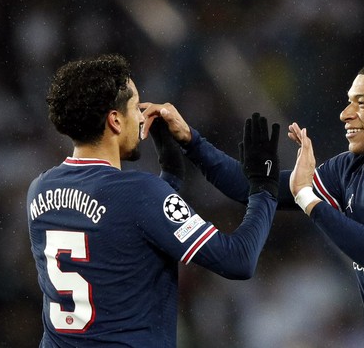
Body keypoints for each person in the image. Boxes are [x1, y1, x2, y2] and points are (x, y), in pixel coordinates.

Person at [155, 57, 364, 347]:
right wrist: (190, 140)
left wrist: (310, 200)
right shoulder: (348, 168)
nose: (345, 114)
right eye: (348, 102)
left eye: (362, 103)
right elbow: (252, 188)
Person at [26, 53, 280, 348]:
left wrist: (170, 165)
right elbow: (239, 260)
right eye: (135, 107)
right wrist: (265, 188)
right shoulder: (139, 192)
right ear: (115, 120)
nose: (141, 116)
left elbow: (126, 230)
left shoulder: (39, 189)